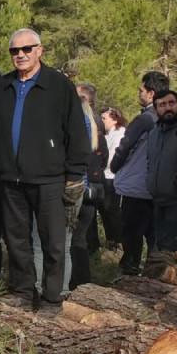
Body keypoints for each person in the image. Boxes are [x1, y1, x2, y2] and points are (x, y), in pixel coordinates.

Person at [0, 29, 88, 314]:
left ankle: (51, 298)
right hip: (10, 179)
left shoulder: (58, 85)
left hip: (50, 179)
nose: (20, 55)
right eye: (14, 51)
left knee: (53, 243)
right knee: (16, 240)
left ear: (40, 50)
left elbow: (75, 130)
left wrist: (74, 172)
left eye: (26, 49)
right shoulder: (2, 87)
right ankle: (22, 291)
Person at [110, 73, 165, 277]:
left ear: (151, 94)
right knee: (154, 235)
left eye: (140, 90)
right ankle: (154, 271)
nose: (138, 94)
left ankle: (129, 270)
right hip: (159, 186)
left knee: (132, 232)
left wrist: (115, 166)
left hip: (137, 185)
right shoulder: (169, 117)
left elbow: (125, 146)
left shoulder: (144, 119)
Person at [68, 83, 107, 289]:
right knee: (80, 238)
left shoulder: (75, 129)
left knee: (71, 240)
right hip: (91, 191)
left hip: (76, 189)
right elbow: (104, 161)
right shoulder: (97, 131)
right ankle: (83, 282)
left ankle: (75, 282)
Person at [145, 89, 177, 265]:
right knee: (159, 245)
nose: (168, 108)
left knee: (172, 249)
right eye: (162, 105)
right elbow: (150, 161)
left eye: (171, 103)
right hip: (156, 199)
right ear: (156, 109)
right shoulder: (154, 133)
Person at [98, 106, 128, 247]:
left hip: (112, 176)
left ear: (115, 120)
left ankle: (119, 240)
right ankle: (111, 239)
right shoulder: (106, 134)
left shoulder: (120, 134)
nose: (102, 121)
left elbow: (111, 157)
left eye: (104, 118)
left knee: (112, 210)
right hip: (104, 175)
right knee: (105, 211)